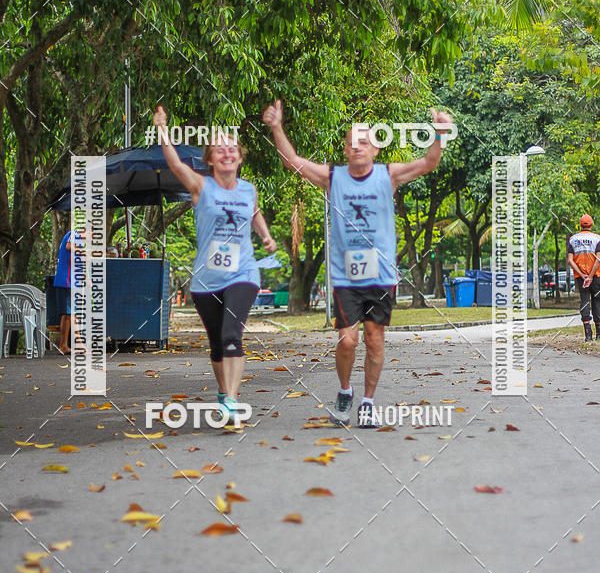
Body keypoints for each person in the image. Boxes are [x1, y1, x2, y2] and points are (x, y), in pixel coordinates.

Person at [262, 99, 452, 427]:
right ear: (345, 150)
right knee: (348, 339)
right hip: (346, 275)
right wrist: (277, 127)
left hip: (380, 275)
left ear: (376, 149)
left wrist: (439, 134)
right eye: (351, 142)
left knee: (375, 338)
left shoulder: (388, 175)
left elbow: (428, 164)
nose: (357, 146)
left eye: (364, 141)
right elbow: (292, 161)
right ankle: (345, 390)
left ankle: (367, 401)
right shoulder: (333, 178)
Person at [153, 105, 277, 422]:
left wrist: (265, 235)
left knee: (232, 335)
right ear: (210, 159)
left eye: (232, 148)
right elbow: (175, 163)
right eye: (219, 149)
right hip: (206, 279)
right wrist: (162, 129)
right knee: (217, 343)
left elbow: (253, 212)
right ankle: (224, 392)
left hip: (243, 272)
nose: (226, 153)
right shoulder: (200, 186)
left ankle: (232, 401)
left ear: (239, 157)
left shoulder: (249, 189)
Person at [567, 214, 600, 342]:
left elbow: (570, 260)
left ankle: (588, 334)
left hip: (581, 278)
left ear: (581, 225)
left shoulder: (572, 239)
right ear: (591, 225)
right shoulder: (597, 238)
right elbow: (598, 259)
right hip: (596, 276)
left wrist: (583, 276)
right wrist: (591, 276)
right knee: (597, 301)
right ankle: (598, 333)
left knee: (584, 301)